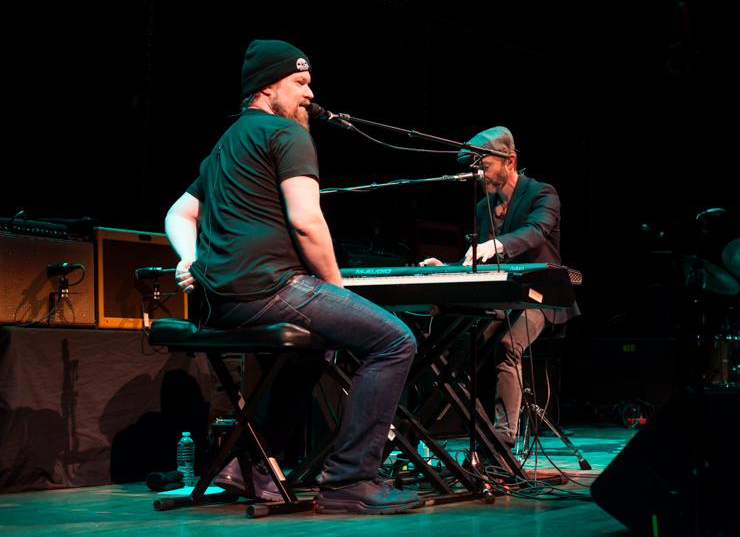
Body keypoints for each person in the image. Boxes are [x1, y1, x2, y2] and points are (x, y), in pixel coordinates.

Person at [164, 39, 420, 514]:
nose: (310, 93)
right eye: (299, 82)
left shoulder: (225, 144)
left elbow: (178, 212)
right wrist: (337, 292)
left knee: (313, 350)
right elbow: (306, 220)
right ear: (267, 88)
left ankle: (249, 466)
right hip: (271, 286)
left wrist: (188, 258)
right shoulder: (287, 134)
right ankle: (350, 480)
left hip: (225, 301)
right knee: (395, 341)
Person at [421, 127, 581, 450]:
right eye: (475, 166)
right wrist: (449, 270)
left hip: (541, 296)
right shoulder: (483, 207)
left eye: (484, 164)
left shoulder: (542, 193)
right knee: (454, 348)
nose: (477, 173)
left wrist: (498, 244)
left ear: (510, 161)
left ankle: (504, 439)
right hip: (501, 298)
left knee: (508, 344)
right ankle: (473, 429)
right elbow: (479, 260)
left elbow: (535, 233)